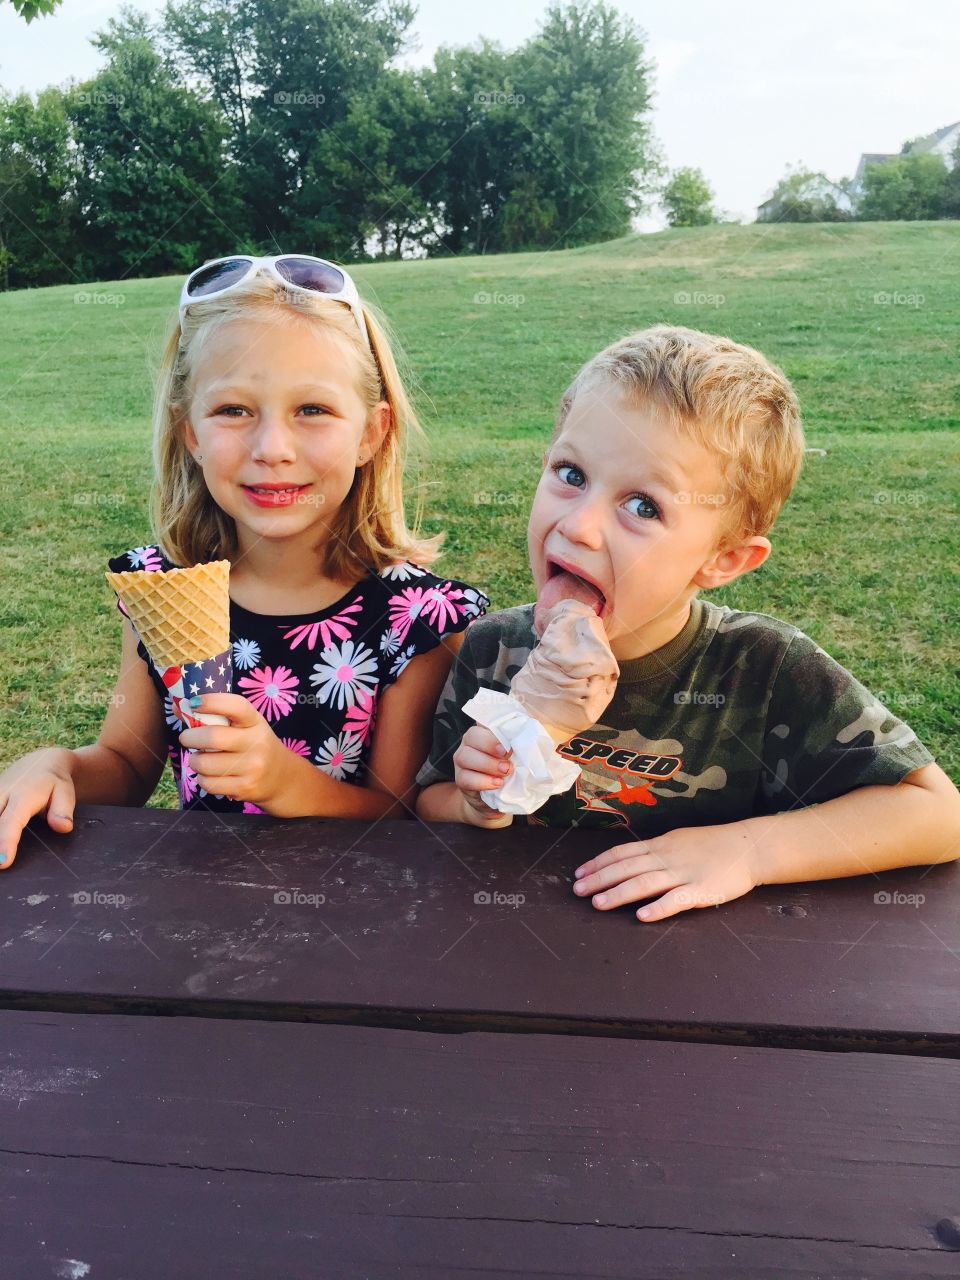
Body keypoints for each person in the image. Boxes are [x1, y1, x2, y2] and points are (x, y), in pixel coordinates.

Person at [416, 325, 960, 921]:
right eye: (571, 475)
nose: (578, 525)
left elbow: (937, 817)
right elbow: (430, 802)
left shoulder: (765, 668)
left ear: (723, 559)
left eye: (643, 506)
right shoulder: (494, 651)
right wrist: (480, 803)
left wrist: (745, 852)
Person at [0, 254, 487, 868]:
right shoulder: (162, 591)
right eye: (234, 410)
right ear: (192, 434)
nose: (272, 449)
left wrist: (285, 784)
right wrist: (57, 764)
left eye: (312, 410)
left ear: (372, 432)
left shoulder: (415, 620)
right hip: (202, 915)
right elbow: (125, 767)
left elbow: (399, 813)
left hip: (353, 922)